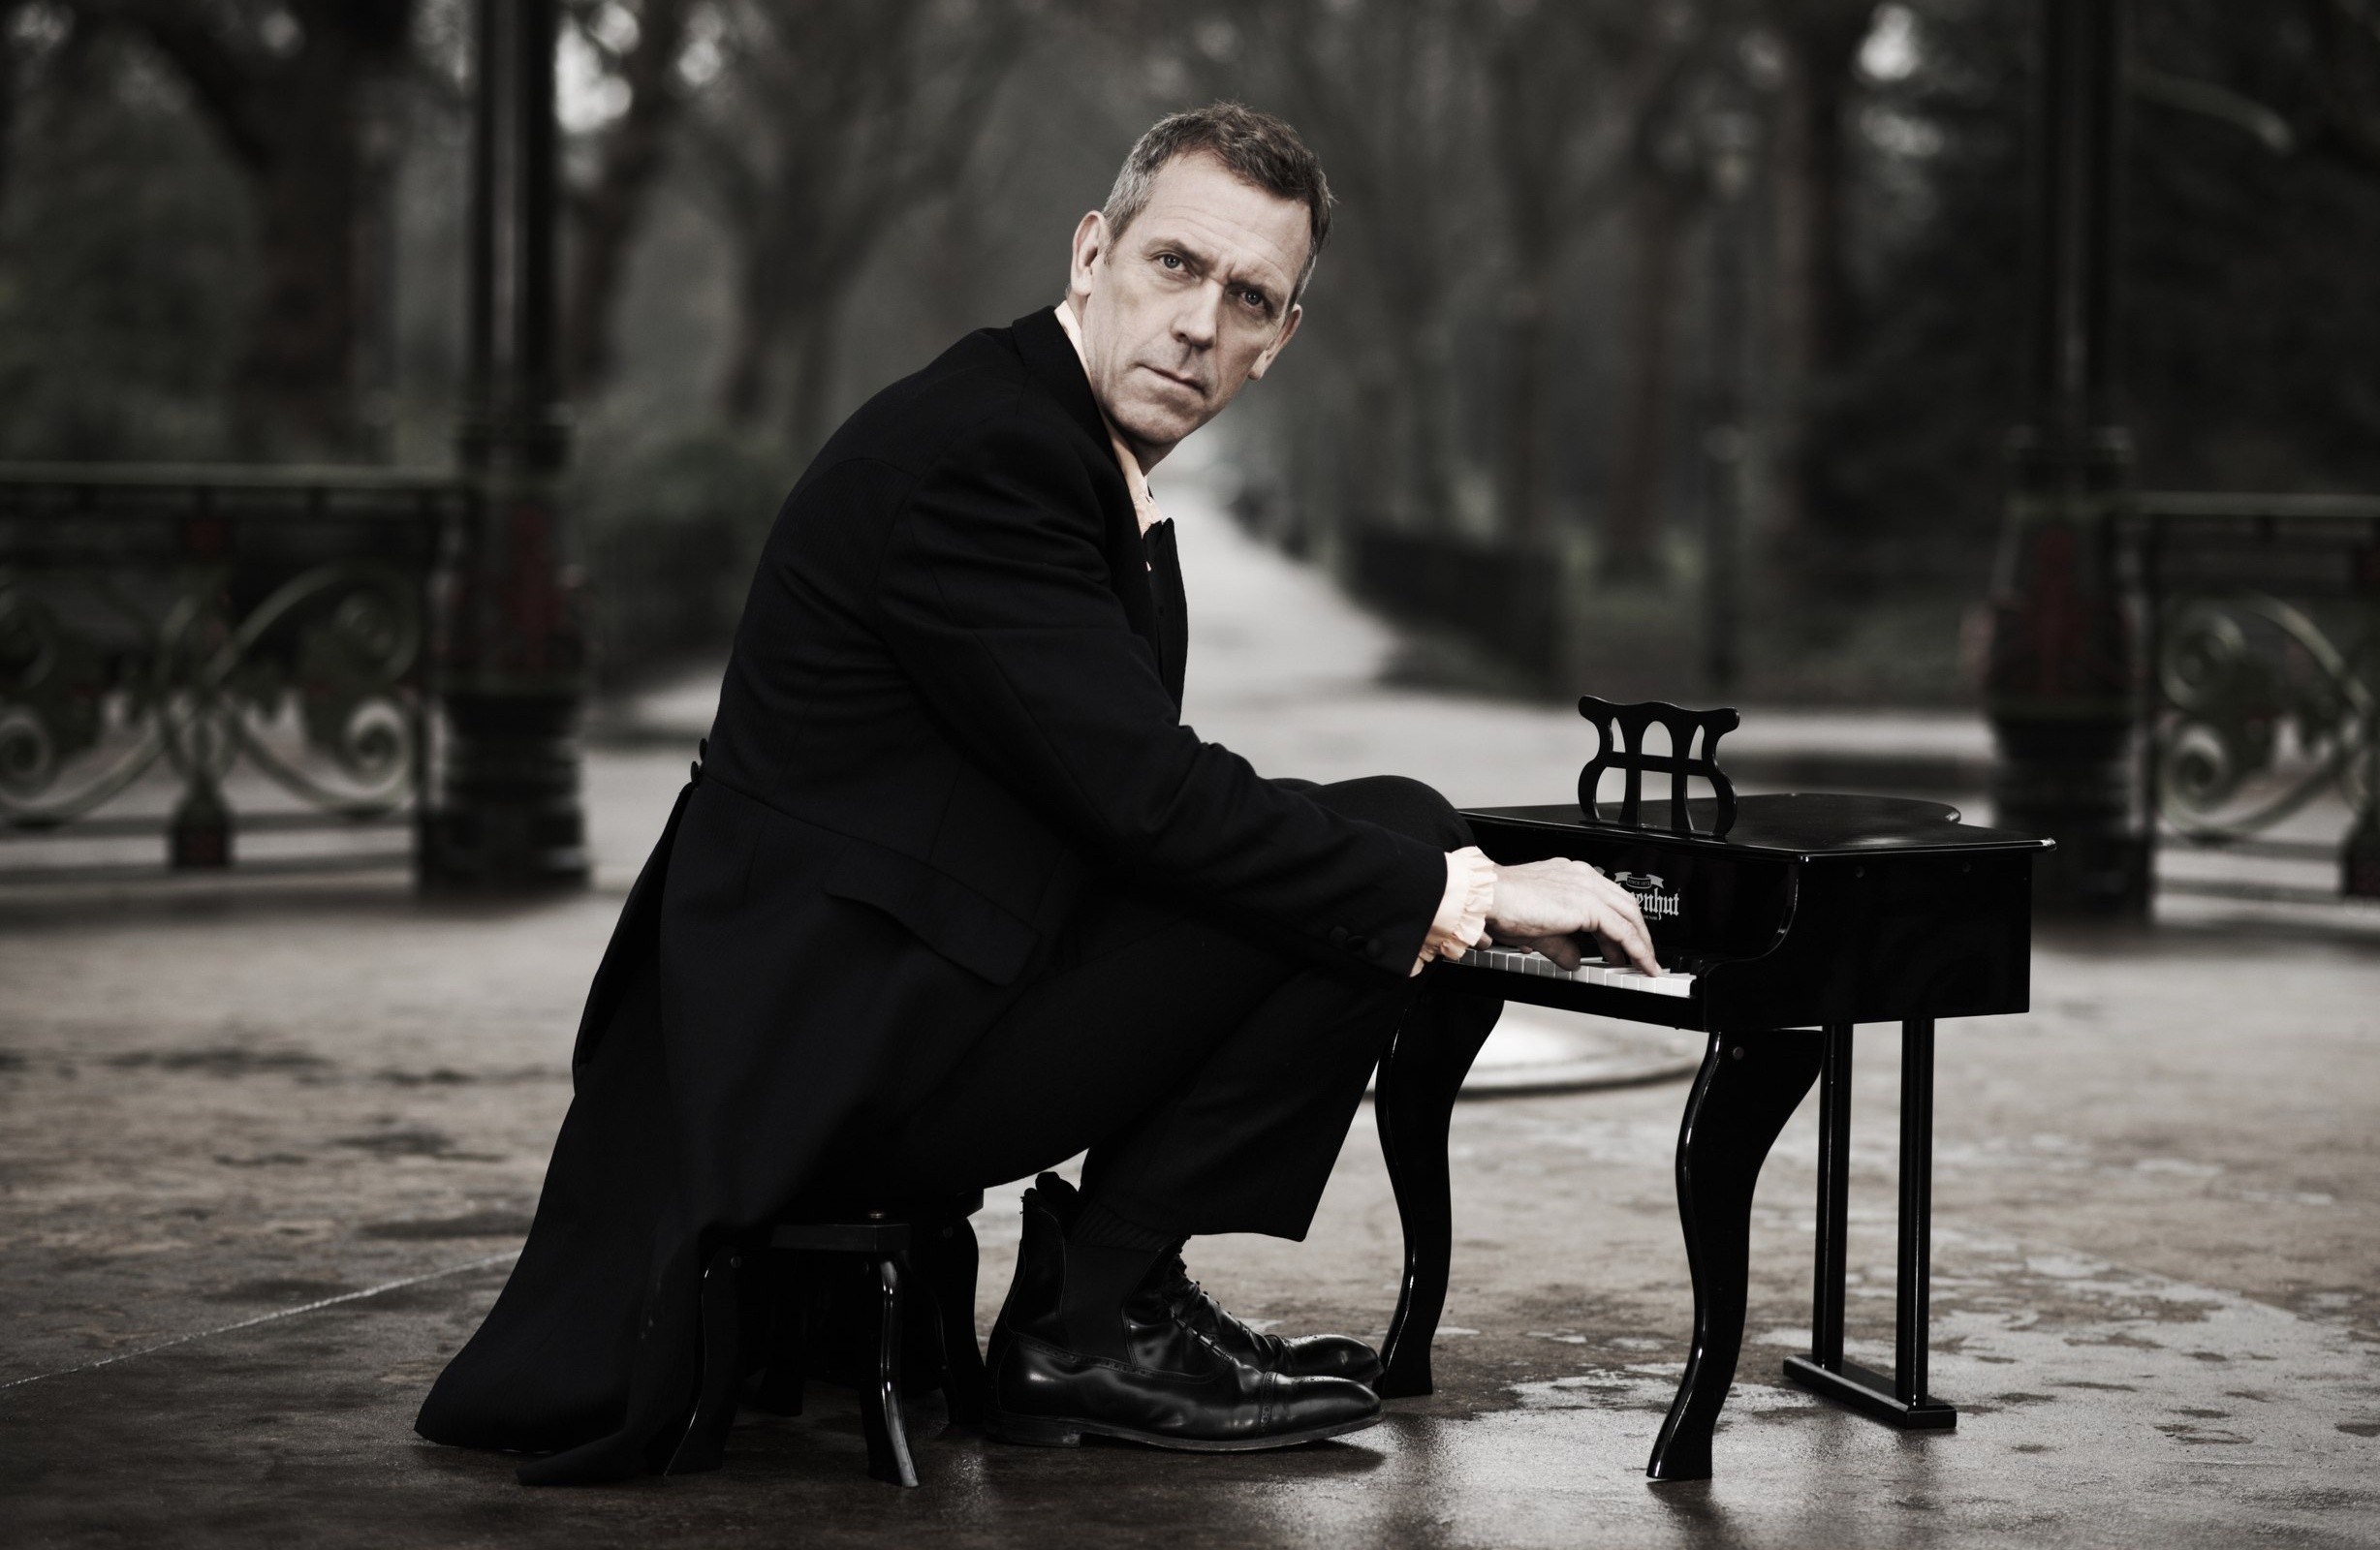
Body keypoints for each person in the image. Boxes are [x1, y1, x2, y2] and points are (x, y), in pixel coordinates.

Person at [416, 102, 1659, 1485]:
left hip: (897, 992)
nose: (1200, 324)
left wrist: (1419, 873)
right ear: (1092, 255)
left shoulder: (1042, 430)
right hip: (820, 1056)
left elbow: (1104, 788)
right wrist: (1463, 891)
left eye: (1249, 298)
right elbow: (1145, 798)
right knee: (1395, 856)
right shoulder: (988, 454)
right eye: (1175, 266)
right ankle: (1094, 1323)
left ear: (1281, 338)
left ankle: (1114, 1291)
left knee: (1382, 832)